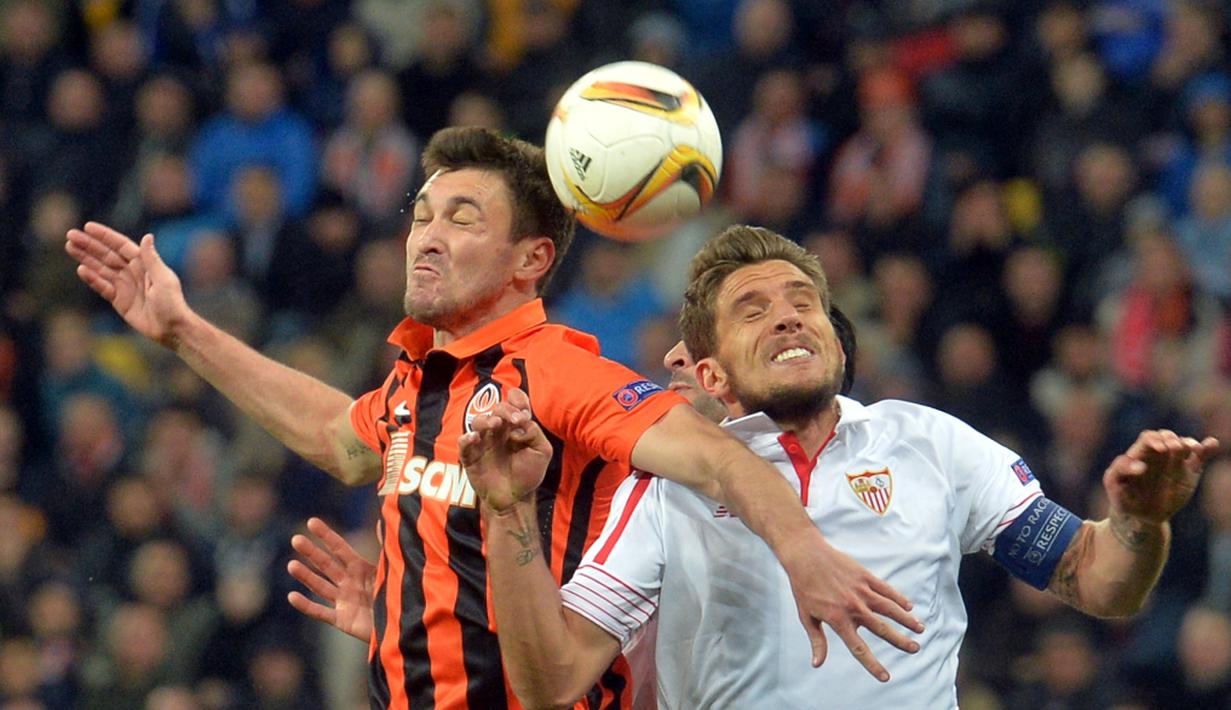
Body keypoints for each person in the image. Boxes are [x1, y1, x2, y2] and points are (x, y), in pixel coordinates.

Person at [65, 127, 922, 709]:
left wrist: (805, 553)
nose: (425, 238)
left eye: (461, 219)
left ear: (531, 260)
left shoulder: (559, 375)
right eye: (422, 216)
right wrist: (183, 331)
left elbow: (721, 459)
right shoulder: (414, 379)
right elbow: (340, 439)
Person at [455, 225, 1219, 709]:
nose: (787, 314)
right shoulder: (670, 488)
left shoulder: (929, 443)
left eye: (803, 302)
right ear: (712, 377)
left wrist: (1138, 521)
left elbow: (1098, 581)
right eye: (752, 310)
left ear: (836, 340)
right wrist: (508, 511)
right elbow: (550, 680)